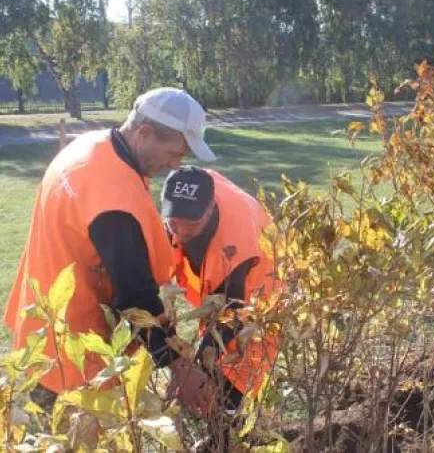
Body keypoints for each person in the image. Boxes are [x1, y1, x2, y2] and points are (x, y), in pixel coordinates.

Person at [4, 87, 218, 417]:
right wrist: (179, 365)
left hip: (40, 334)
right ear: (145, 133)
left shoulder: (94, 148)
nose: (176, 164)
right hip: (73, 356)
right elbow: (135, 297)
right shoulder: (114, 202)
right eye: (175, 153)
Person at [161, 166, 281, 449]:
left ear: (210, 210)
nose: (181, 232)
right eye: (174, 223)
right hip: (222, 294)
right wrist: (177, 363)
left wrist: (193, 371)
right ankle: (220, 435)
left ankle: (232, 437)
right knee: (206, 373)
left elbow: (230, 315)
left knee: (233, 375)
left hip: (258, 295)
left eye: (190, 225)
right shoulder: (184, 198)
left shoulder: (235, 244)